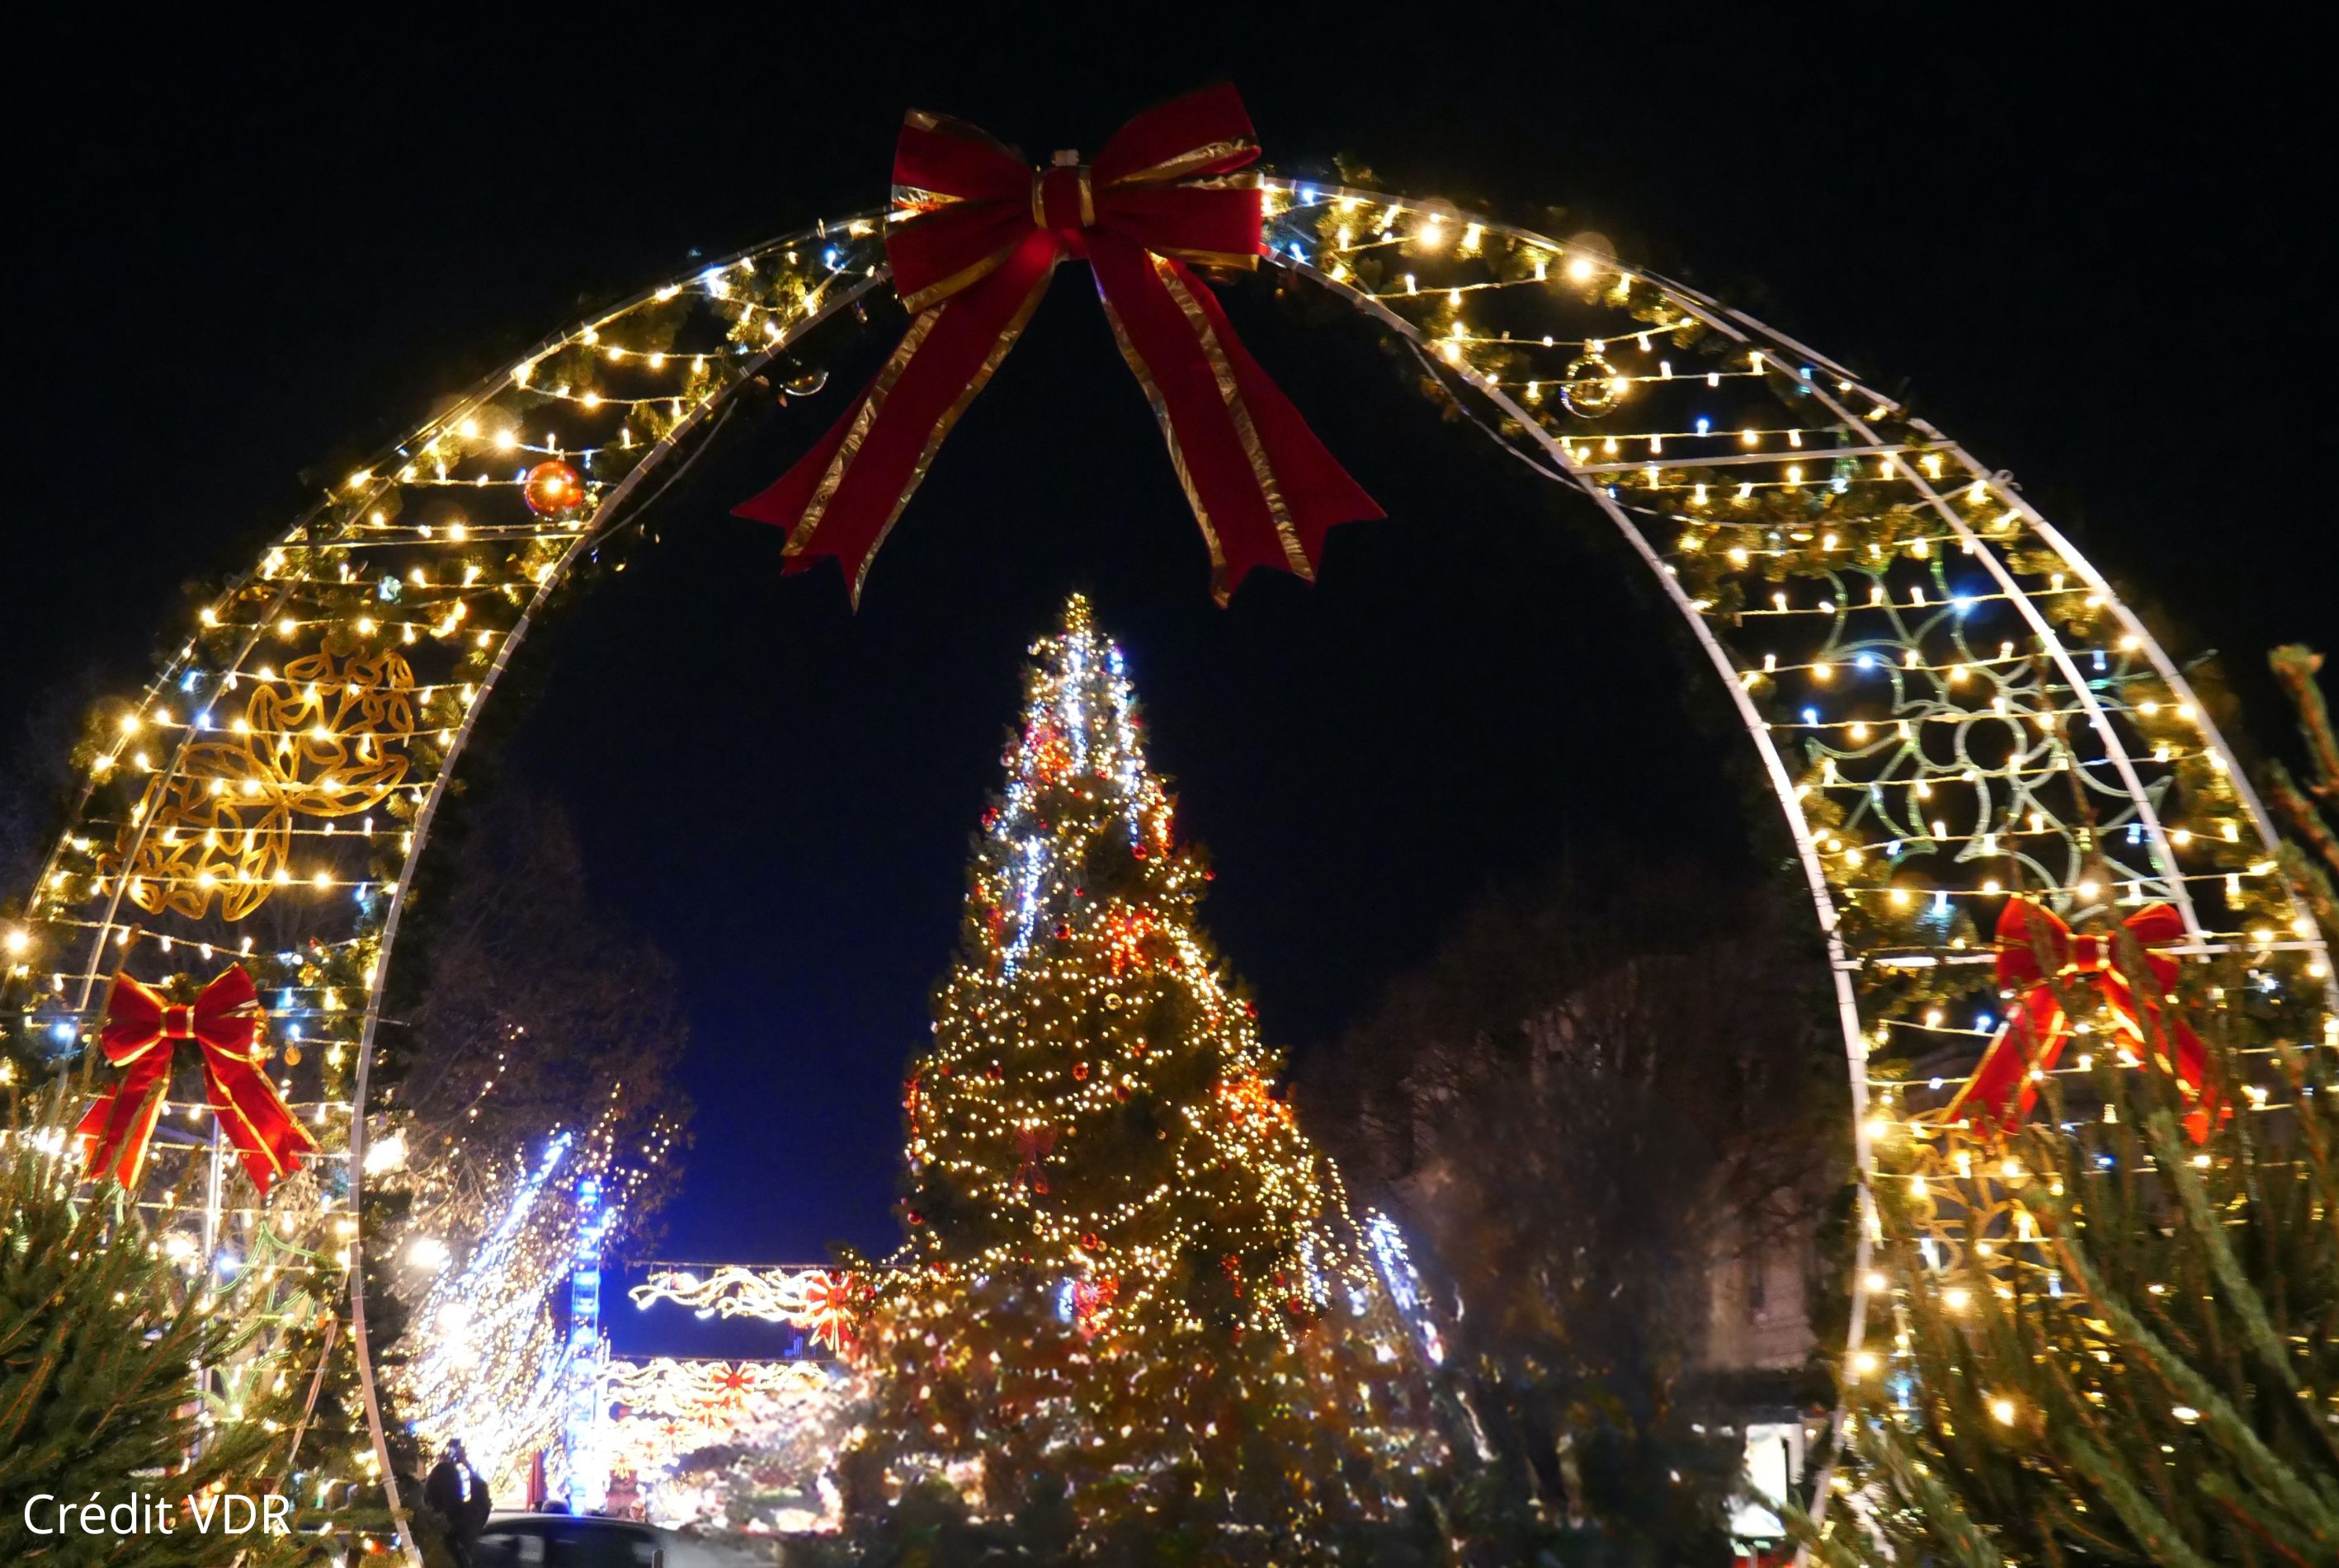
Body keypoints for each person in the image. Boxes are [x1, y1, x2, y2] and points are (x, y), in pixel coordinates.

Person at [423, 1439, 491, 1566]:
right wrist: (466, 1464)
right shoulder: (464, 1519)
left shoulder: (422, 1517)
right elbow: (482, 1500)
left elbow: (416, 1489)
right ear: (458, 1487)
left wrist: (440, 1466)